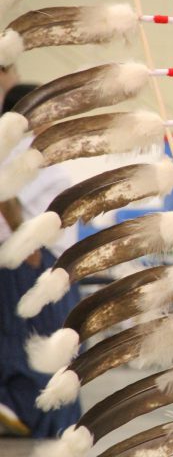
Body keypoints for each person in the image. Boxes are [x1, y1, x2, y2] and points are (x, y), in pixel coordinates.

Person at [0, 83, 80, 438]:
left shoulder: (34, 151)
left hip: (39, 261)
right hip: (32, 263)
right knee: (44, 356)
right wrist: (26, 244)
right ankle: (44, 426)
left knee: (31, 350)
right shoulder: (21, 152)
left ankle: (29, 416)